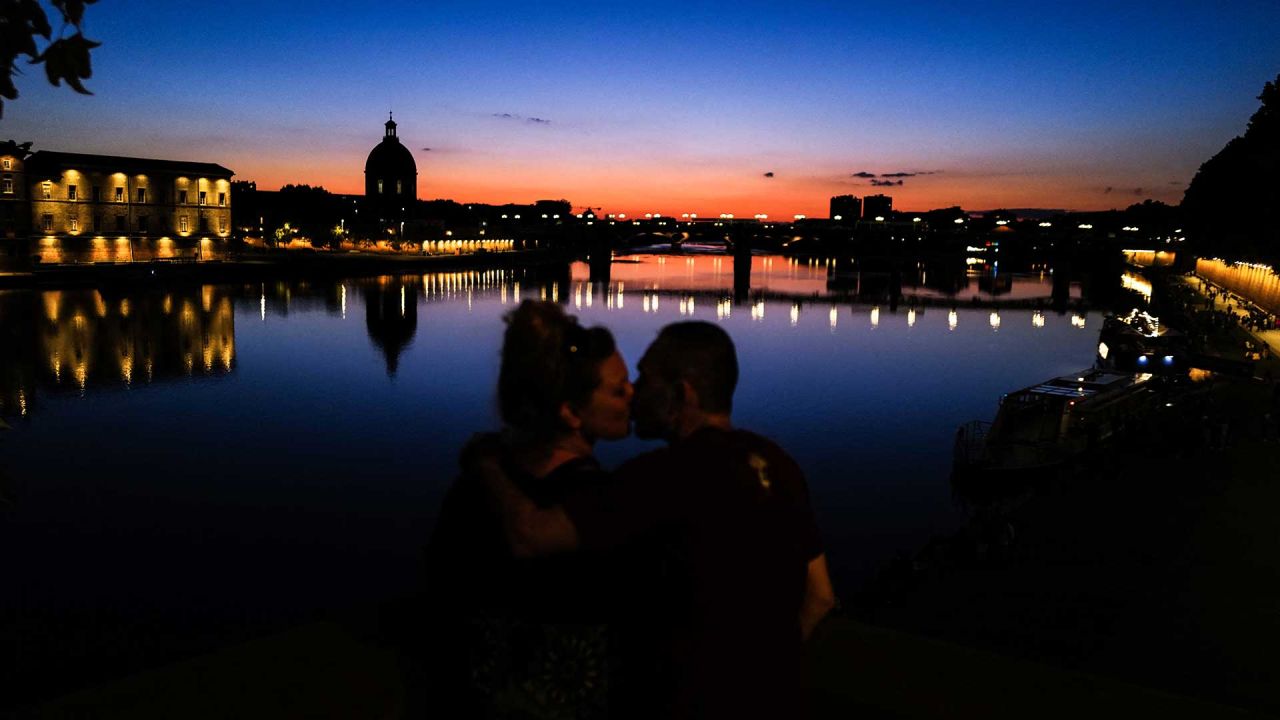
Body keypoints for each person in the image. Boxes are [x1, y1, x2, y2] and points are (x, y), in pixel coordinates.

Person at [478, 321, 836, 718]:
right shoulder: (779, 464)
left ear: (680, 395)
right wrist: (766, 669)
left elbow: (529, 535)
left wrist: (486, 459)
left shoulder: (665, 476)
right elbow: (821, 596)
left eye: (645, 378)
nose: (634, 393)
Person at [425, 300, 633, 719]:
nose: (633, 394)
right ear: (571, 412)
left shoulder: (478, 485)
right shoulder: (596, 500)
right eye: (618, 388)